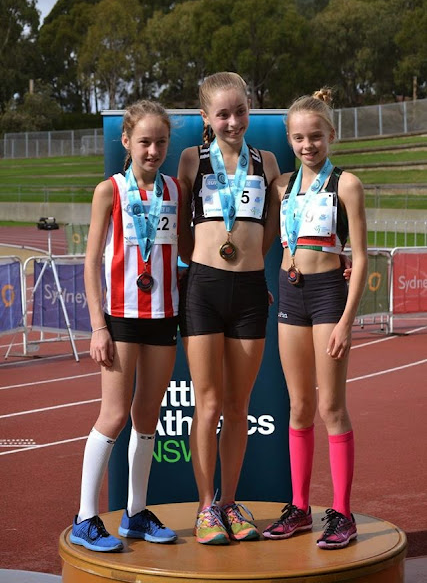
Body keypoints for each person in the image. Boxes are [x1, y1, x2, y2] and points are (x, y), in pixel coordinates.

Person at [70, 100, 192, 552]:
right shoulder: (110, 191)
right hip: (120, 318)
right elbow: (90, 262)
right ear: (126, 141)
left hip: (163, 317)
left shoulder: (175, 190)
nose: (153, 150)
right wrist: (97, 326)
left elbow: (186, 250)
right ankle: (85, 518)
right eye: (144, 142)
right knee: (114, 415)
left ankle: (136, 512)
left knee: (147, 417)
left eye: (161, 142)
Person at [178, 72, 281, 545]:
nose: (233, 121)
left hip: (250, 291)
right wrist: (200, 266)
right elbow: (182, 227)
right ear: (206, 117)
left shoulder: (267, 161)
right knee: (209, 403)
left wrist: (254, 265)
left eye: (240, 111)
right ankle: (205, 507)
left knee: (238, 407)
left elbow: (273, 226)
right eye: (222, 114)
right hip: (203, 287)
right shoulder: (191, 159)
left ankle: (229, 502)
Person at [262, 88, 368, 549]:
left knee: (331, 408)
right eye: (300, 138)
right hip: (290, 293)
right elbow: (269, 239)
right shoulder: (281, 186)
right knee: (299, 406)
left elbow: (360, 257)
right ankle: (300, 508)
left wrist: (346, 320)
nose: (308, 145)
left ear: (331, 135)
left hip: (328, 297)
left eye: (316, 137)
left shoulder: (346, 184)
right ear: (290, 139)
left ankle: (342, 514)